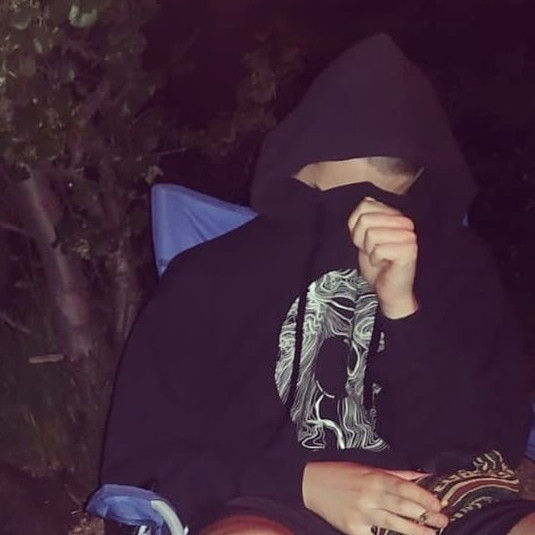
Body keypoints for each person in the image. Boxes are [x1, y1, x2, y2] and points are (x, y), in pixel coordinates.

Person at [101, 34, 535, 535]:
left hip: (444, 498)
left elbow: (487, 441)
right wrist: (300, 483)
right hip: (268, 500)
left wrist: (402, 309)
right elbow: (142, 459)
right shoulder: (209, 274)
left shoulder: (461, 265)